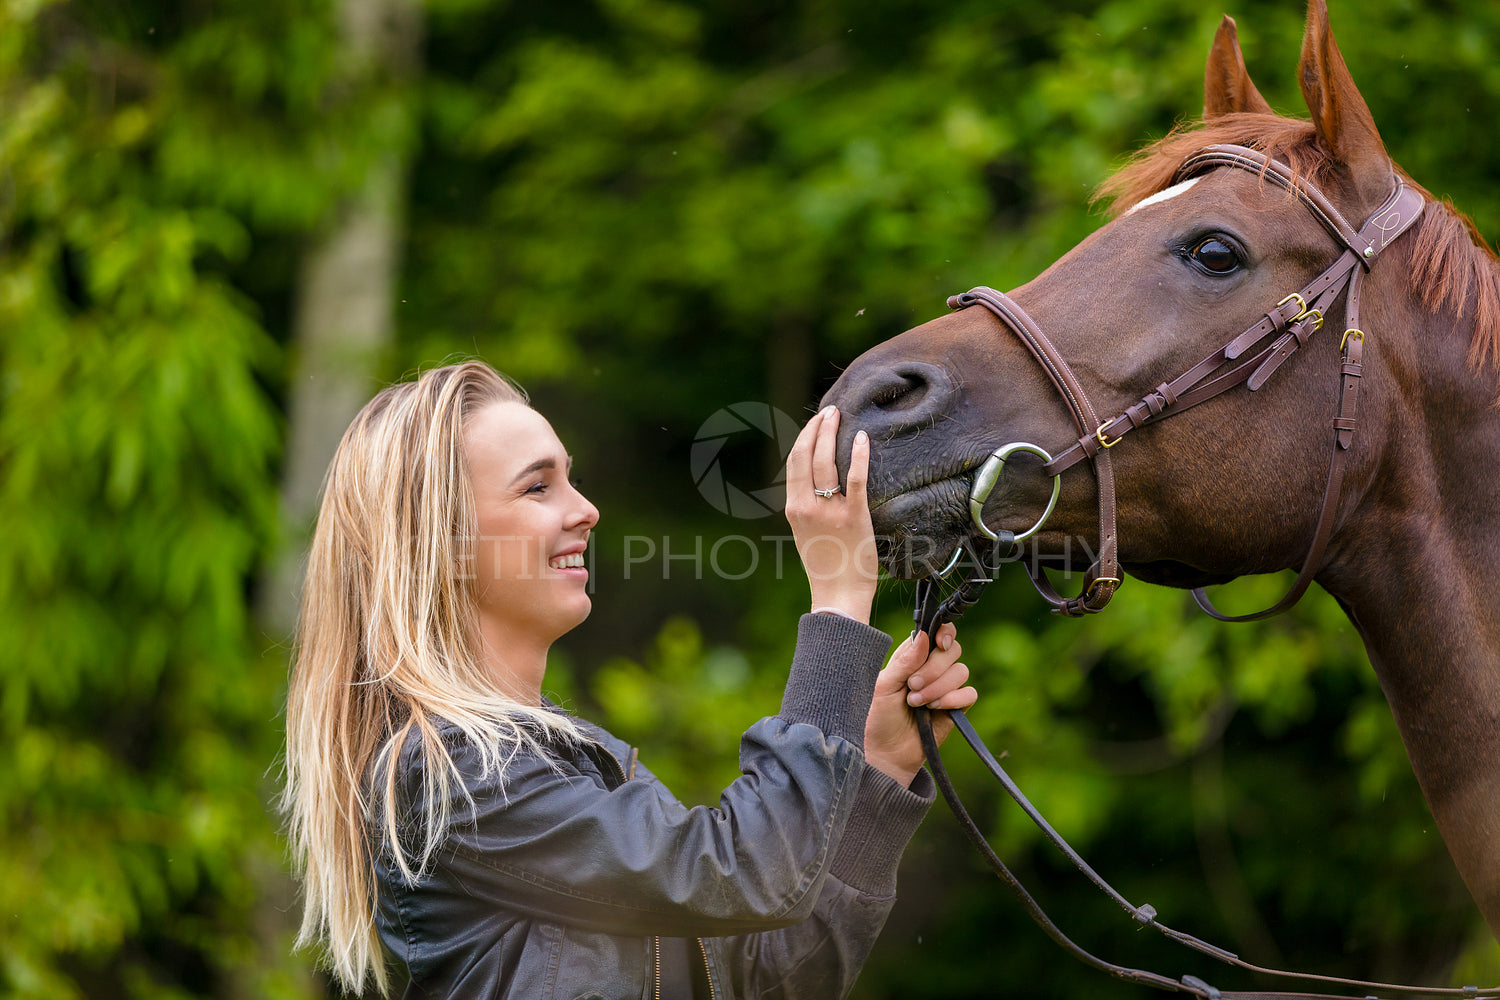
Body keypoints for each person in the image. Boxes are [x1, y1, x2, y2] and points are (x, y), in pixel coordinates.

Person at [281, 360, 977, 999]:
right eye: (537, 486)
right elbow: (745, 872)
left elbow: (771, 979)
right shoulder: (446, 774)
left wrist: (878, 767)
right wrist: (837, 604)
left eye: (570, 478)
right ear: (443, 544)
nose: (585, 508)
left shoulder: (568, 766)